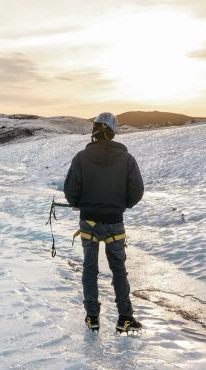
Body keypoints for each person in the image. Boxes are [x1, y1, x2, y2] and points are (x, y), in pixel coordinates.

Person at [63, 112, 144, 333]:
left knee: (90, 269)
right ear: (113, 131)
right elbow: (137, 191)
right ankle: (125, 318)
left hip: (88, 222)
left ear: (95, 131)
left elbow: (70, 192)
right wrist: (121, 204)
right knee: (119, 269)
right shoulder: (127, 159)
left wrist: (80, 203)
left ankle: (92, 317)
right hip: (115, 222)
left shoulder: (81, 158)